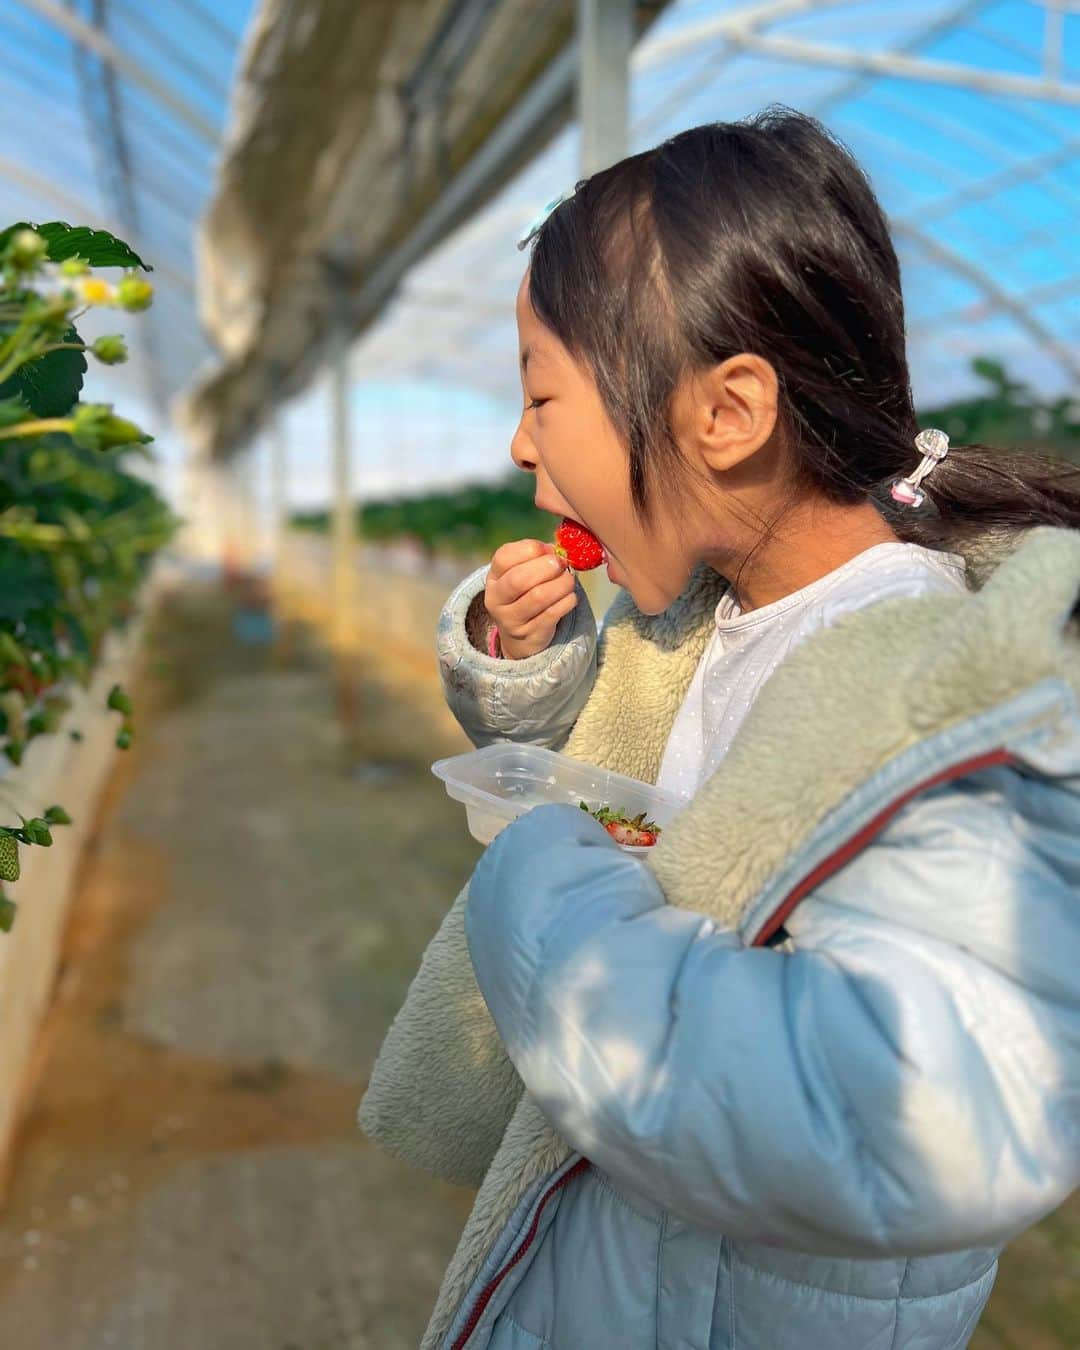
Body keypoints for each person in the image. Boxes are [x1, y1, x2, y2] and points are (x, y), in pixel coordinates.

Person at [359, 106, 1080, 1350]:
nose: (522, 447)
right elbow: (613, 743)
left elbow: (903, 1122)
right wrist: (516, 661)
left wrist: (537, 887)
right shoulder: (717, 609)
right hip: (641, 1259)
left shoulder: (935, 706)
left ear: (726, 415)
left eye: (544, 397)